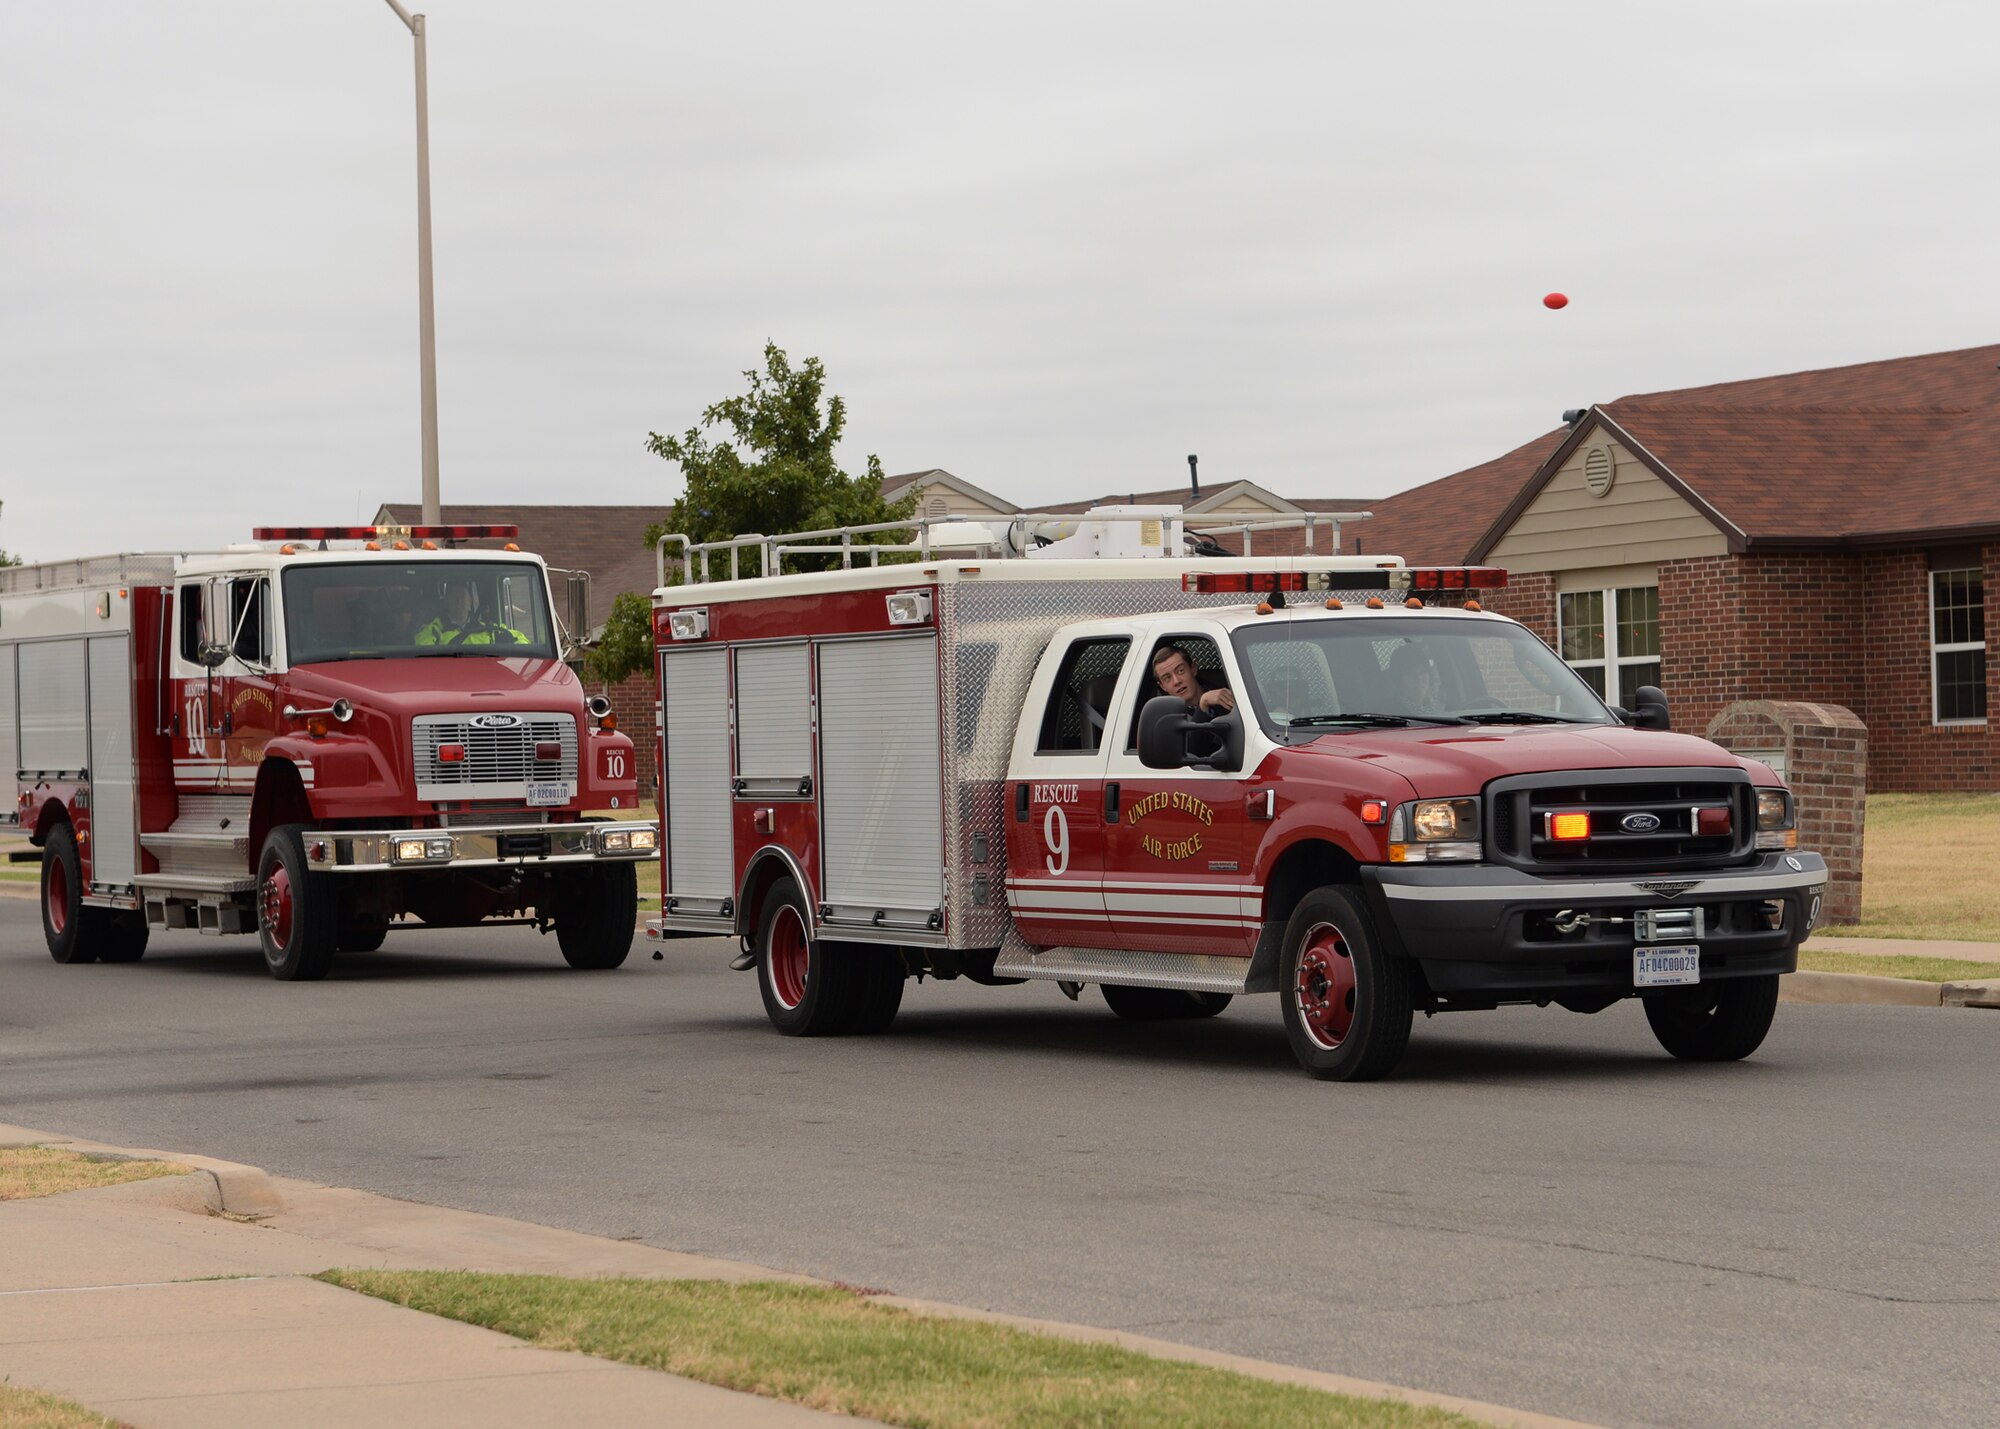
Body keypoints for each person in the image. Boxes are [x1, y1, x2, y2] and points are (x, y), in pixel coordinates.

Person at [416, 583, 528, 646]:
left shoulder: (488, 629)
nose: (458, 602)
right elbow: (425, 654)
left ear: (470, 602)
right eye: (454, 597)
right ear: (446, 603)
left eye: (462, 597)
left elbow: (520, 640)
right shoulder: (433, 631)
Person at [1151, 644, 1235, 716]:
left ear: (1193, 669)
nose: (1176, 681)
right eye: (1167, 678)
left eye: (1180, 671)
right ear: (1162, 686)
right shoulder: (1165, 720)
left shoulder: (1227, 692)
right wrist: (1203, 706)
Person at [1388, 642, 1441, 714]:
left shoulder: (1444, 706)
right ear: (1397, 680)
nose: (1419, 679)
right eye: (1410, 674)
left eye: (1423, 672)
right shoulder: (1389, 713)